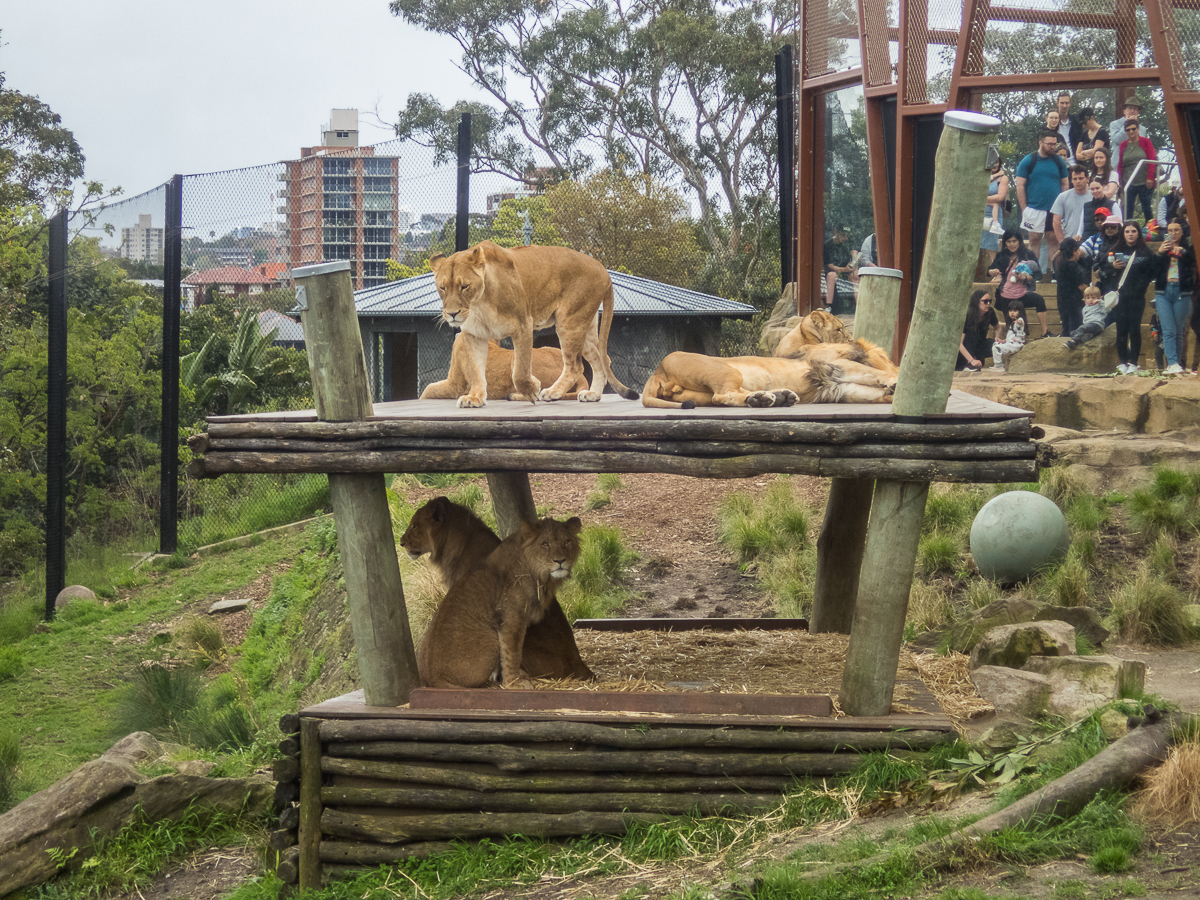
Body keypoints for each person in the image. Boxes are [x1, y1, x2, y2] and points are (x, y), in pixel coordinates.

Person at [1096, 220, 1164, 374]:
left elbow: (1152, 272)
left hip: (1137, 297)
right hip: (1120, 297)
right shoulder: (1115, 250)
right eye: (1127, 231)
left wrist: (1158, 256)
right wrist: (1112, 267)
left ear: (1138, 233)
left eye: (1133, 231)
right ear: (1123, 233)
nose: (1130, 234)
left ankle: (1134, 362)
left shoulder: (1145, 252)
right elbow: (1101, 270)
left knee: (1134, 330)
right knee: (1121, 330)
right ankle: (1122, 362)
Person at [1015, 129, 1070, 263]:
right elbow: (1020, 185)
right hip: (1034, 208)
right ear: (1040, 142)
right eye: (1049, 144)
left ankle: (1055, 274)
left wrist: (1063, 207)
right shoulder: (1029, 160)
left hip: (1054, 209)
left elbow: (1065, 184)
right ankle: (1032, 273)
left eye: (1054, 144)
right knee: (1034, 240)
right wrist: (1024, 208)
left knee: (1053, 240)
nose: (1053, 147)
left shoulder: (1059, 161)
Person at [988, 229, 1052, 337]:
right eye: (1009, 242)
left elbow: (1038, 274)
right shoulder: (1001, 255)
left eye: (1014, 241)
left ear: (1019, 241)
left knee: (1039, 300)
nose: (1012, 244)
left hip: (1023, 293)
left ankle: (1045, 332)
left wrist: (1026, 278)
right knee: (1013, 329)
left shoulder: (1028, 254)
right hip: (1005, 295)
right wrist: (991, 272)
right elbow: (990, 269)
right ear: (1005, 243)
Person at [1154, 220, 1196, 374]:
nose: (1172, 234)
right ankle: (1171, 362)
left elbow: (1193, 264)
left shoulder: (1189, 248)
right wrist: (1159, 253)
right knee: (1168, 329)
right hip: (1163, 292)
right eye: (1170, 230)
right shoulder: (1163, 248)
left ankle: (1176, 364)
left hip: (1182, 291)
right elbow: (1152, 270)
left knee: (1178, 330)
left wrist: (1183, 253)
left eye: (1176, 230)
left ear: (1182, 231)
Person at [1117, 119, 1157, 222]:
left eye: (1133, 129)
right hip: (1128, 182)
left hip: (1144, 181)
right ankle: (1127, 230)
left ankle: (1151, 231)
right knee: (1128, 209)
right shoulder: (1123, 145)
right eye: (1128, 130)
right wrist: (1119, 180)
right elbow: (1121, 164)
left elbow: (1152, 160)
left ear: (1138, 129)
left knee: (1146, 208)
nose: (1131, 132)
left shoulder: (1145, 141)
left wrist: (1150, 178)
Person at [1054, 237, 1091, 336]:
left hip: (1062, 300)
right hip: (1075, 302)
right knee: (1075, 329)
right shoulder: (1075, 267)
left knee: (1066, 328)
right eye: (1078, 250)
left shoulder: (1058, 265)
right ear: (1074, 251)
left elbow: (1053, 257)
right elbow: (1082, 287)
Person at [958, 289, 1001, 371]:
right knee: (971, 337)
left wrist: (997, 337)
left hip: (980, 344)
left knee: (997, 346)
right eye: (985, 301)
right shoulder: (967, 316)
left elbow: (998, 328)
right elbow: (959, 344)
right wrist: (971, 360)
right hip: (966, 348)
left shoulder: (990, 312)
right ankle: (968, 364)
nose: (988, 304)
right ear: (976, 302)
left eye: (990, 301)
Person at [1051, 166, 1093, 246]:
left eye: (1081, 178)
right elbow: (1056, 221)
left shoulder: (1093, 196)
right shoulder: (1062, 197)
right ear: (1071, 180)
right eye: (1075, 179)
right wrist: (1062, 242)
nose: (1078, 181)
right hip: (1070, 241)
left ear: (1087, 179)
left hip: (1090, 242)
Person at [981, 157, 1009, 271]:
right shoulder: (983, 176)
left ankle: (998, 272)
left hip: (993, 214)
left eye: (997, 162)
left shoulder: (1003, 178)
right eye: (993, 161)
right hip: (979, 212)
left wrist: (981, 199)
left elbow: (1000, 197)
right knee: (981, 244)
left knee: (992, 245)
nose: (995, 164)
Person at [1064, 286, 1110, 350]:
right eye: (1088, 298)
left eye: (1093, 298)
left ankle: (1073, 342)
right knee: (1073, 332)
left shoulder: (1100, 306)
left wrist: (1100, 301)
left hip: (1097, 325)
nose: (1090, 300)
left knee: (1082, 328)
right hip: (1088, 326)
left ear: (1098, 298)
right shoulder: (1085, 308)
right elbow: (1085, 318)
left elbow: (1108, 308)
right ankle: (1087, 337)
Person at [823, 224, 854, 312]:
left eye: (846, 235)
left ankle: (858, 305)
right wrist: (844, 269)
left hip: (846, 271)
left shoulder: (847, 244)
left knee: (856, 275)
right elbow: (829, 265)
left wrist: (853, 263)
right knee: (832, 275)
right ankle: (829, 306)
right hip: (833, 271)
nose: (845, 238)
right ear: (836, 232)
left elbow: (851, 256)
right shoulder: (827, 245)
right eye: (843, 235)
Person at [992, 299, 1028, 369]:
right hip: (1011, 344)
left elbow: (1021, 322)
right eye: (1010, 311)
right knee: (995, 344)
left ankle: (998, 365)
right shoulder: (1012, 323)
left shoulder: (1020, 320)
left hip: (1016, 346)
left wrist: (1018, 322)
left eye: (1015, 311)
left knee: (996, 348)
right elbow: (1013, 336)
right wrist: (1004, 340)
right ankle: (997, 364)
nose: (1012, 313)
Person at [1055, 92, 1080, 165]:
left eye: (1067, 103)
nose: (1064, 106)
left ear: (1070, 104)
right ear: (1057, 103)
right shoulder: (1052, 123)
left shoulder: (1076, 122)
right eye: (1062, 103)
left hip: (1074, 163)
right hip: (1057, 163)